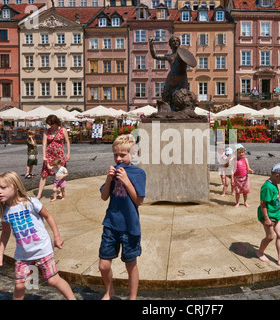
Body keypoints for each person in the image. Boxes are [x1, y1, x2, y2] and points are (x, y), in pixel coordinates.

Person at [0, 171, 76, 300]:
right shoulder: (4, 212)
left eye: (3, 187)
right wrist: (0, 255)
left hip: (43, 249)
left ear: (16, 186)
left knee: (53, 280)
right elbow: (5, 232)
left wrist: (57, 236)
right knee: (19, 286)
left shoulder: (30, 202)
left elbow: (48, 216)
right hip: (23, 254)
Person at [98, 134, 146, 300]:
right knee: (103, 265)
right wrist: (109, 179)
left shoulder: (138, 173)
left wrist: (126, 181)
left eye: (122, 155)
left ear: (132, 154)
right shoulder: (114, 171)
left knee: (130, 264)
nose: (118, 158)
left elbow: (139, 201)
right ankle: (109, 291)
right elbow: (104, 197)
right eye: (115, 155)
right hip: (111, 224)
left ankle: (132, 297)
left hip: (129, 226)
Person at [256, 163, 280, 266]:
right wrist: (267, 219)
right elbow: (263, 204)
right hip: (268, 215)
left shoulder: (274, 183)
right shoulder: (267, 187)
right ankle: (260, 252)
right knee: (269, 237)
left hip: (275, 214)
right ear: (277, 175)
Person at [149, 35, 192, 111]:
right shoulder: (169, 56)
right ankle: (167, 111)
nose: (175, 42)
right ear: (170, 45)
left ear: (179, 43)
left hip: (182, 79)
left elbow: (191, 61)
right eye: (173, 41)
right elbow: (155, 56)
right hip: (171, 78)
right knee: (167, 97)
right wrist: (151, 44)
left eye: (177, 41)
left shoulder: (183, 55)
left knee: (183, 97)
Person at [36, 114, 70, 199]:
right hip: (49, 155)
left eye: (51, 124)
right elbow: (44, 144)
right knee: (44, 174)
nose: (50, 125)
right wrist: (44, 156)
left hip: (59, 156)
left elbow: (67, 142)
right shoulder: (46, 131)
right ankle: (39, 194)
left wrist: (68, 154)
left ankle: (62, 192)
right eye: (49, 124)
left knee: (60, 174)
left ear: (56, 122)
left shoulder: (63, 130)